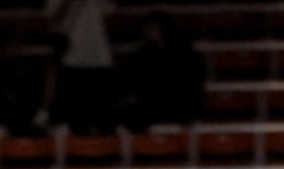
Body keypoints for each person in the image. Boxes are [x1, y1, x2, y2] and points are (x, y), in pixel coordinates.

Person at [120, 11, 206, 130]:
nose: (149, 31)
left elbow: (190, 83)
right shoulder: (141, 54)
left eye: (153, 28)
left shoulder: (185, 53)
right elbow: (133, 80)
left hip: (178, 103)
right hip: (150, 103)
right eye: (147, 28)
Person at [47, 0, 116, 136]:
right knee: (75, 120)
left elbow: (112, 12)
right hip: (71, 60)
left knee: (103, 119)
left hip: (100, 59)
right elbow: (54, 20)